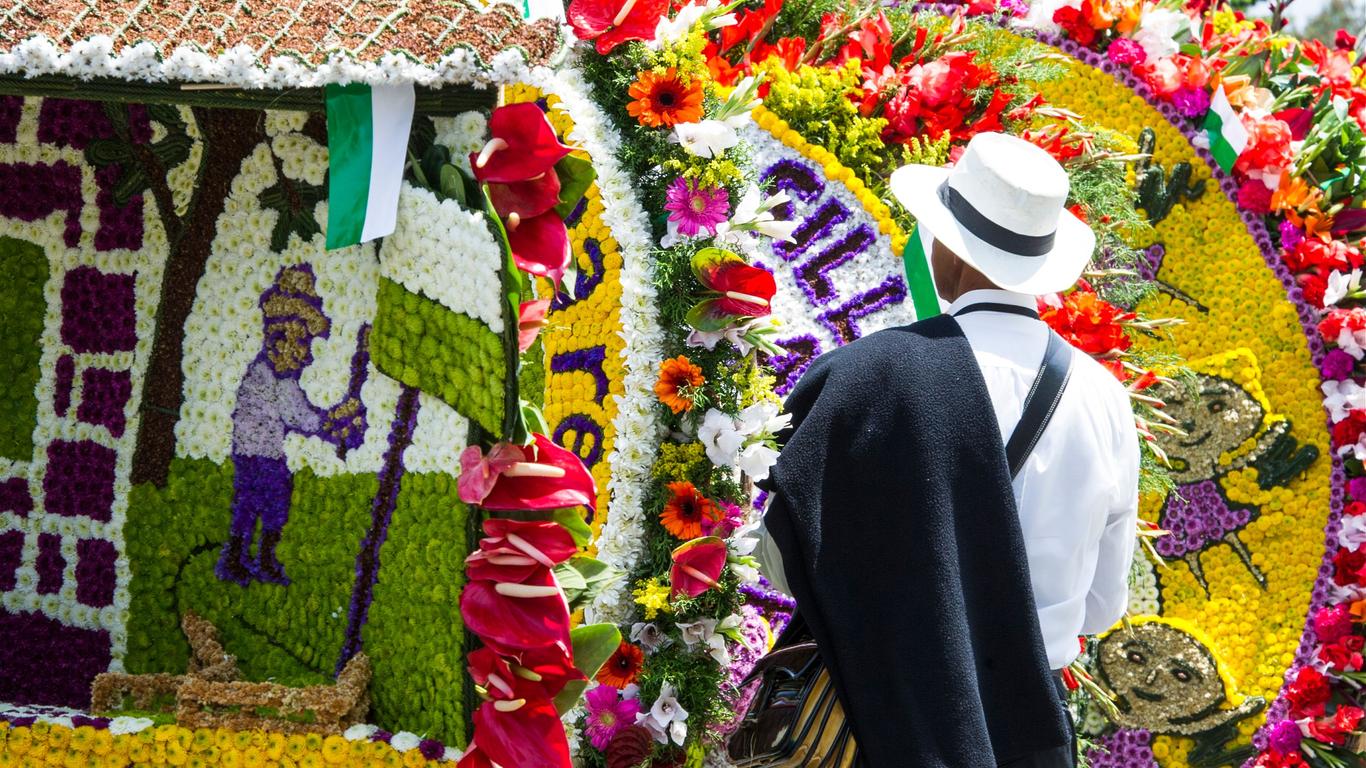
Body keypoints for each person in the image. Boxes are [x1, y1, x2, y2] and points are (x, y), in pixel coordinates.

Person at [758, 132, 1140, 767]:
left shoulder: (869, 375)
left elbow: (782, 558)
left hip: (878, 724)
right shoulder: (1107, 401)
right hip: (1032, 738)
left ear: (946, 250)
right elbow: (1101, 606)